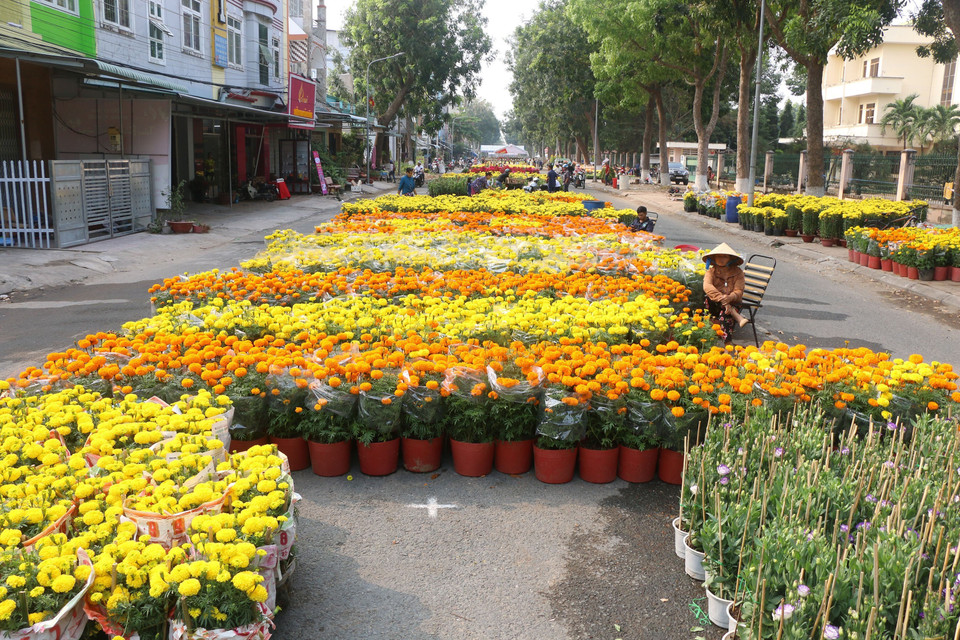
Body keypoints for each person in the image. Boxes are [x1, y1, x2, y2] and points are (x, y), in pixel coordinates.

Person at [702, 243, 749, 343]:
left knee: (725, 316)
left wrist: (730, 298)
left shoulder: (738, 272)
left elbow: (739, 291)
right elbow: (707, 287)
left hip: (734, 302)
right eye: (718, 256)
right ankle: (732, 312)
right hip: (714, 302)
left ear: (730, 258)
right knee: (708, 298)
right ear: (714, 258)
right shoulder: (711, 272)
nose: (721, 259)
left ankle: (728, 344)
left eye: (725, 256)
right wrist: (723, 299)